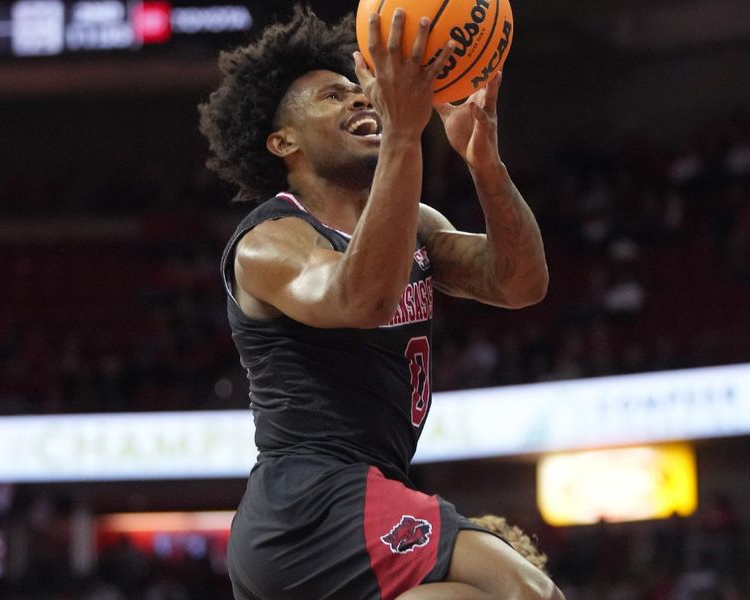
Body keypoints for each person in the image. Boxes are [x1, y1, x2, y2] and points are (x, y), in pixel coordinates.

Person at [199, 5, 560, 600]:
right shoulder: (269, 241)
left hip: (363, 497)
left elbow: (519, 283)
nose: (360, 101)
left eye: (359, 90)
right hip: (311, 502)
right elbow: (361, 297)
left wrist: (484, 164)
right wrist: (402, 134)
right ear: (282, 140)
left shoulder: (410, 226)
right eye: (333, 97)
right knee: (527, 593)